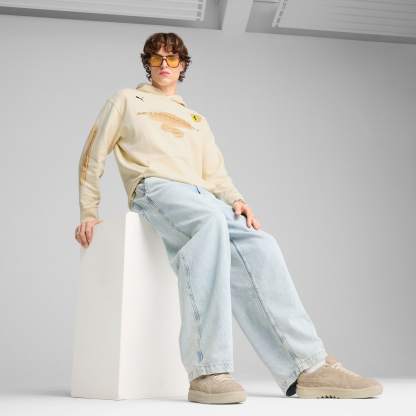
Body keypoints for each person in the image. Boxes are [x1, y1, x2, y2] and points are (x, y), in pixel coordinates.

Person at [74, 32, 383, 404]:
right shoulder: (126, 100)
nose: (164, 65)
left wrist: (237, 200)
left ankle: (308, 366)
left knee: (262, 244)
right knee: (209, 225)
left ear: (183, 65)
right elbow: (93, 154)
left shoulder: (196, 119)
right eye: (156, 58)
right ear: (148, 64)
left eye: (172, 58)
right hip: (155, 188)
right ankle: (208, 369)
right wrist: (89, 211)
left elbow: (215, 174)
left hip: (202, 195)